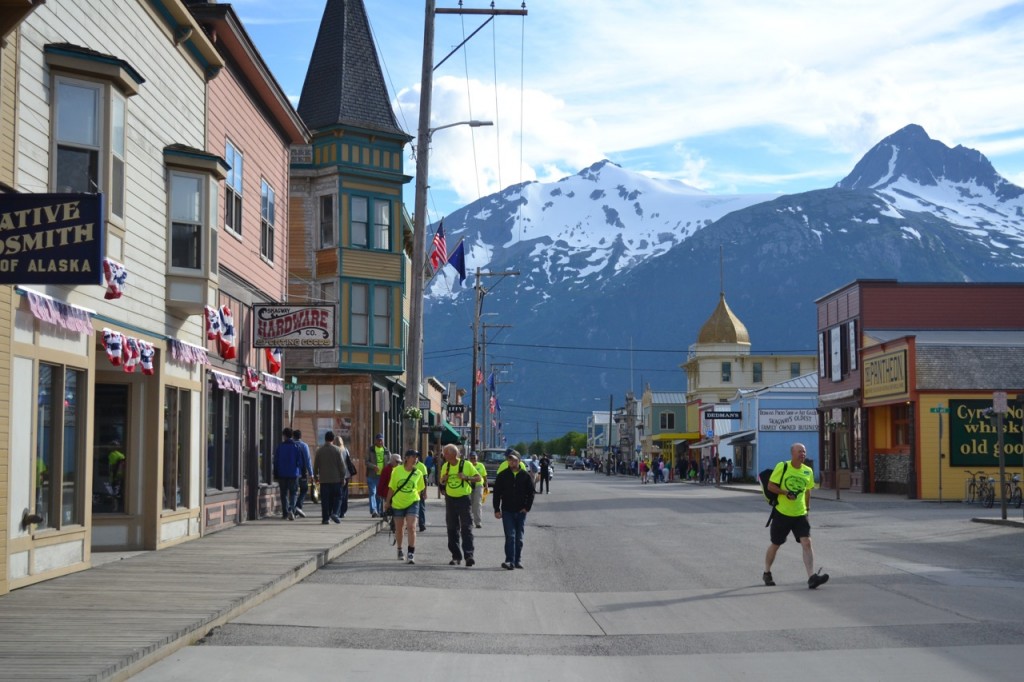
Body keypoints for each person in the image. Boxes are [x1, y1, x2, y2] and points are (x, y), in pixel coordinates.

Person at [763, 442, 829, 589]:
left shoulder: (808, 471)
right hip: (782, 513)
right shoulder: (783, 466)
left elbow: (808, 491)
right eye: (799, 451)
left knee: (807, 542)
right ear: (792, 453)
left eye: (804, 452)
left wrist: (807, 509)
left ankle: (812, 577)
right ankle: (767, 572)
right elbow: (771, 486)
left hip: (800, 514)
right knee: (776, 544)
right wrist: (785, 493)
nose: (802, 454)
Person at [492, 450, 534, 569]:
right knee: (510, 536)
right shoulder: (502, 475)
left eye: (514, 460)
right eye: (510, 460)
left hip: (521, 511)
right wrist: (497, 509)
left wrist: (527, 507)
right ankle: (509, 560)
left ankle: (517, 560)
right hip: (507, 510)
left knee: (519, 538)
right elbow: (497, 494)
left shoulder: (525, 476)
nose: (512, 462)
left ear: (519, 461)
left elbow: (531, 493)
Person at [440, 444, 480, 566]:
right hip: (450, 499)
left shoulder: (466, 465)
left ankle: (469, 555)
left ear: (453, 454)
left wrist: (466, 477)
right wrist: (443, 479)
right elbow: (441, 481)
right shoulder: (445, 466)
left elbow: (478, 478)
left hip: (463, 499)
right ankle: (456, 556)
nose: (444, 455)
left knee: (466, 527)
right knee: (452, 528)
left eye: (446, 453)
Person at [384, 450, 426, 565]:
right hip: (398, 503)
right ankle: (399, 549)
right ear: (406, 458)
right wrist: (387, 502)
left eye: (417, 457)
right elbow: (392, 487)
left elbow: (419, 488)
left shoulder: (418, 473)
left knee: (412, 527)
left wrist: (413, 496)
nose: (415, 459)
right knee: (399, 528)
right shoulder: (397, 471)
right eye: (413, 456)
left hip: (413, 501)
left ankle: (411, 552)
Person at [313, 431, 346, 524]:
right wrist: (342, 477)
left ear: (325, 439)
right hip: (336, 480)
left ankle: (325, 518)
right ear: (333, 439)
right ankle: (335, 513)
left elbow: (316, 466)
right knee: (338, 497)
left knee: (325, 500)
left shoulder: (319, 451)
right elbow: (342, 466)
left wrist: (316, 477)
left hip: (324, 480)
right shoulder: (337, 450)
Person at [273, 428, 302, 520]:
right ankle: (291, 509)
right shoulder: (296, 446)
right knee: (293, 493)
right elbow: (299, 461)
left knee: (283, 493)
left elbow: (276, 461)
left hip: (282, 473)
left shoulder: (280, 447)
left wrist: (276, 472)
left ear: (284, 435)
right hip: (293, 473)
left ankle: (285, 513)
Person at [365, 433, 389, 518]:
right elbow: (366, 462)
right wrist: (373, 466)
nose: (380, 441)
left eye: (381, 440)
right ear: (375, 441)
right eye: (378, 440)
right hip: (371, 475)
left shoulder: (386, 451)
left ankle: (378, 510)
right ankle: (374, 510)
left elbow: (389, 463)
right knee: (372, 492)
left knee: (379, 494)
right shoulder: (371, 449)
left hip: (381, 476)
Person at [292, 430, 313, 518]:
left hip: (292, 473)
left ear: (293, 436)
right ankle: (298, 506)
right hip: (302, 473)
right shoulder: (304, 445)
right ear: (301, 436)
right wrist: (311, 473)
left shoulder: (291, 445)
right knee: (304, 489)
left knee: (294, 491)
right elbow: (308, 460)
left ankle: (292, 509)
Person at [467, 451, 488, 528]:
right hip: (469, 485)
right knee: (469, 504)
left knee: (477, 503)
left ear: (477, 458)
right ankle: (470, 521)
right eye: (471, 458)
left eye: (474, 458)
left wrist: (486, 485)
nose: (473, 460)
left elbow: (484, 476)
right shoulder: (467, 465)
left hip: (478, 485)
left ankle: (478, 522)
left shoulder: (481, 465)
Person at [108, 440, 125, 512]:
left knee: (114, 493)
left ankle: (115, 508)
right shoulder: (121, 455)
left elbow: (113, 467)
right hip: (119, 476)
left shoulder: (112, 455)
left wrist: (114, 476)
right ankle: (115, 507)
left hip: (115, 477)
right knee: (116, 492)